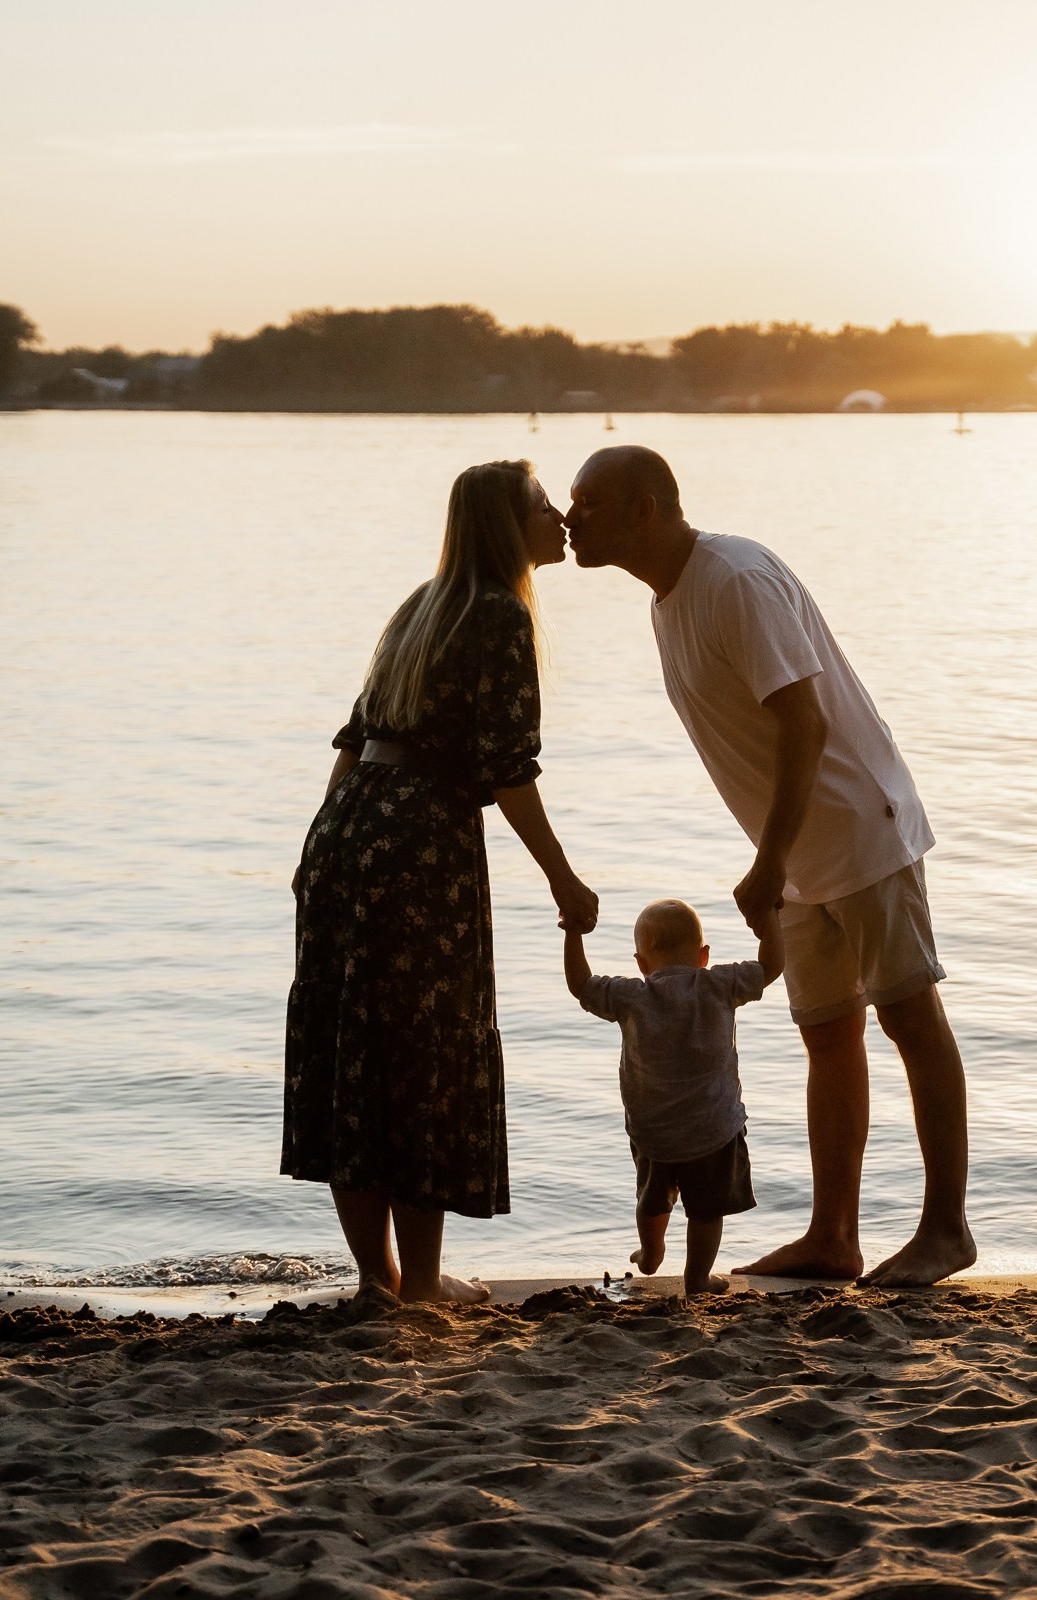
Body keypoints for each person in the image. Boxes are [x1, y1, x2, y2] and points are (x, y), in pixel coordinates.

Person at [563, 445, 976, 1287]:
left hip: (859, 827)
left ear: (645, 507)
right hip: (792, 856)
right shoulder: (669, 601)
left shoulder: (736, 578)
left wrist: (769, 858)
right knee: (828, 1034)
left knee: (908, 1017)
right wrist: (778, 862)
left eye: (589, 503)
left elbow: (806, 725)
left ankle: (946, 1230)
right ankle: (834, 1236)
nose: (573, 519)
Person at [283, 460, 598, 1306]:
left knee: (355, 1051)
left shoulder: (421, 606)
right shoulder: (497, 615)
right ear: (506, 526)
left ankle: (376, 1283)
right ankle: (419, 1287)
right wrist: (565, 882)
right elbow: (507, 771)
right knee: (423, 1055)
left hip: (348, 836)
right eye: (542, 507)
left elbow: (354, 739)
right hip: (421, 846)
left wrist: (316, 851)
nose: (561, 517)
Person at [565, 898, 781, 1296]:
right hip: (713, 1129)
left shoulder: (631, 997)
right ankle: (697, 1278)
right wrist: (768, 917)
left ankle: (651, 1253)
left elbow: (581, 984)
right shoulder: (720, 984)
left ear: (642, 963)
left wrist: (573, 932)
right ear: (703, 955)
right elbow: (771, 967)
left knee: (652, 1198)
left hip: (654, 1132)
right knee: (706, 1210)